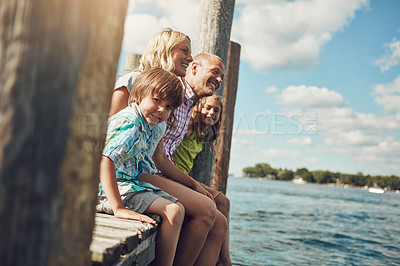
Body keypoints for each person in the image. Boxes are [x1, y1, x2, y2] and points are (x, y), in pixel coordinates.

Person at [138, 53, 228, 266]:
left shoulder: (189, 105)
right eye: (215, 72)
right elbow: (155, 156)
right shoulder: (174, 96)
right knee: (207, 208)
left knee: (219, 222)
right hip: (144, 172)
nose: (219, 79)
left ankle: (225, 262)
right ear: (194, 68)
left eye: (222, 76)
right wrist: (193, 184)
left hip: (159, 172)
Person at [97, 68, 186, 266]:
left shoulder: (144, 123)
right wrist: (118, 207)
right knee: (173, 211)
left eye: (169, 106)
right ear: (137, 95)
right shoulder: (130, 123)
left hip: (124, 184)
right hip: (106, 191)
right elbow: (105, 159)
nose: (162, 109)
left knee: (178, 208)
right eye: (157, 100)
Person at [172, 95, 232, 266]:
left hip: (183, 177)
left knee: (223, 201)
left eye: (216, 110)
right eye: (207, 107)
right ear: (196, 108)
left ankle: (223, 259)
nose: (211, 112)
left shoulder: (202, 133)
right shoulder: (188, 125)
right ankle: (224, 261)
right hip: (172, 178)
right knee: (212, 205)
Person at [109, 28, 193, 117]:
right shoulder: (132, 81)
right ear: (164, 51)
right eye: (184, 51)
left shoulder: (172, 92)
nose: (190, 58)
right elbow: (110, 123)